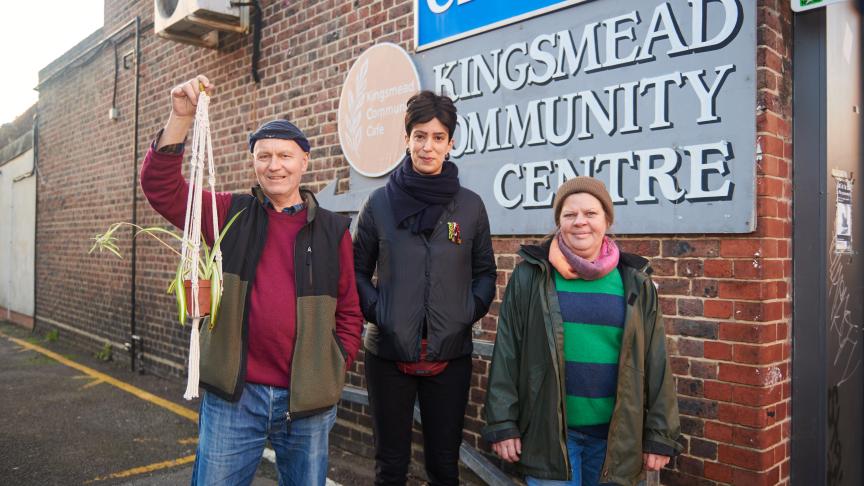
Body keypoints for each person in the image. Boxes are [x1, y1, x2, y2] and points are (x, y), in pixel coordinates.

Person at [140, 74, 364, 486]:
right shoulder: (231, 213)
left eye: (284, 155)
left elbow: (349, 308)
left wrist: (336, 362)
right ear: (254, 162)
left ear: (304, 162)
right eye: (264, 156)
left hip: (309, 399)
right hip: (236, 398)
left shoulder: (333, 230)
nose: (274, 165)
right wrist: (180, 119)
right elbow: (161, 190)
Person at [482, 177, 681, 486]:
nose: (580, 222)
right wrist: (503, 423)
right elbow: (508, 351)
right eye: (569, 215)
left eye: (590, 213)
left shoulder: (635, 282)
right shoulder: (531, 276)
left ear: (607, 220)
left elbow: (656, 361)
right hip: (550, 435)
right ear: (559, 221)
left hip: (615, 439)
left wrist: (659, 434)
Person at [353, 90, 497, 485]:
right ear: (406, 139)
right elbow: (356, 272)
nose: (427, 146)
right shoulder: (379, 204)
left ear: (450, 144)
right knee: (390, 466)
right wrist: (380, 313)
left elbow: (486, 272)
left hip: (449, 357)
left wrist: (465, 312)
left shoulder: (470, 207)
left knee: (444, 466)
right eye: (419, 135)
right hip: (387, 355)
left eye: (437, 137)